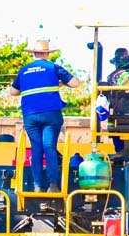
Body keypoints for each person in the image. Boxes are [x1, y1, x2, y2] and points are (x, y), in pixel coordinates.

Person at [8, 40, 80, 193]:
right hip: (51, 114)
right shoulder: (53, 67)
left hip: (30, 115)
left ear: (33, 53)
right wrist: (61, 83)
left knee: (36, 149)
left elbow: (12, 92)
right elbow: (75, 83)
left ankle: (38, 186)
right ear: (47, 53)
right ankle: (53, 185)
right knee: (49, 148)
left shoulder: (24, 70)